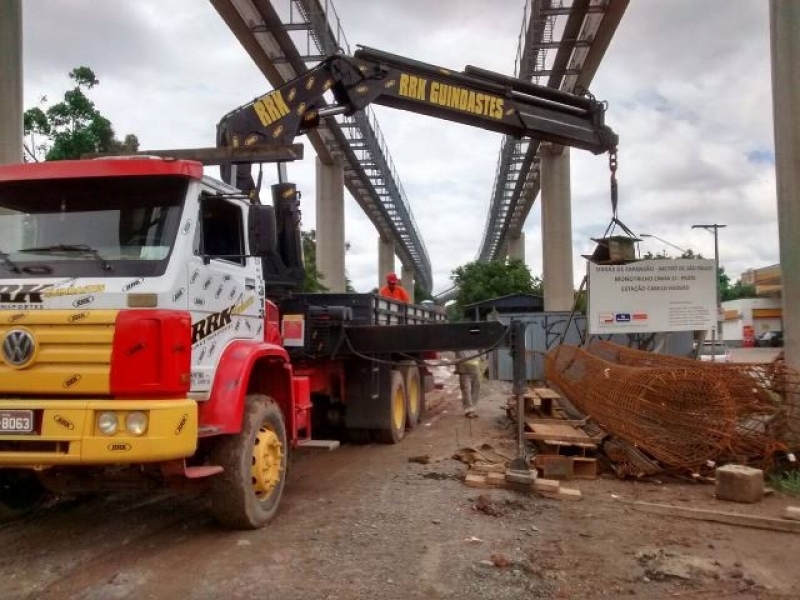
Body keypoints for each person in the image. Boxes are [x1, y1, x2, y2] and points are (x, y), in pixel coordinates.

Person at [455, 350, 481, 418]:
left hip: (475, 370)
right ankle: (469, 410)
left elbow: (482, 352)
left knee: (475, 390)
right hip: (464, 371)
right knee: (466, 390)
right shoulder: (458, 343)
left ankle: (473, 409)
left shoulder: (476, 342)